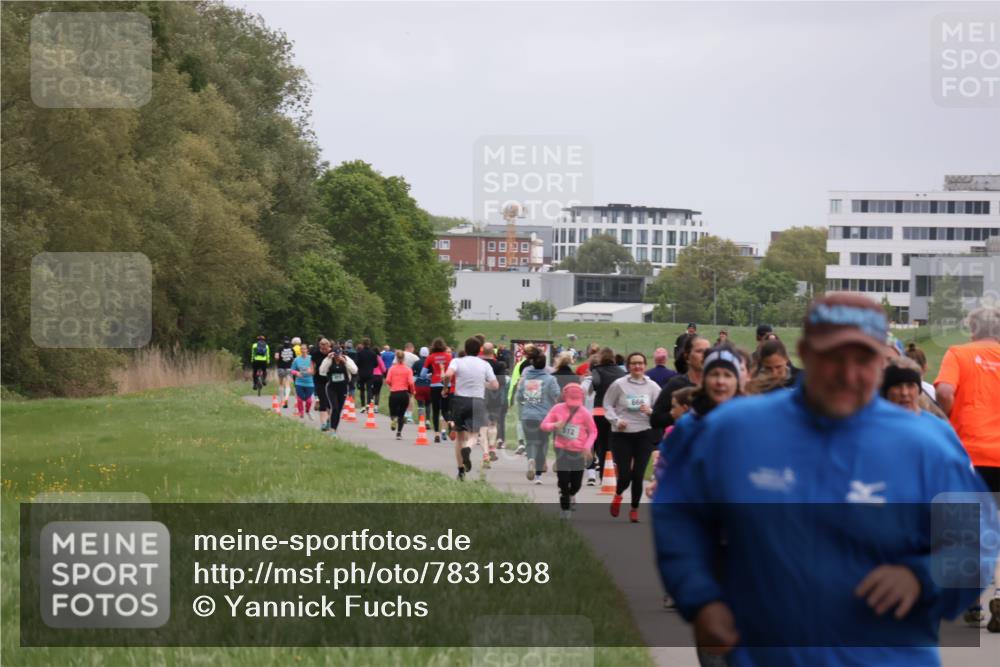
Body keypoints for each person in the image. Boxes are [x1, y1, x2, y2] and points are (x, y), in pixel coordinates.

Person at [653, 293, 1000, 665]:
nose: (848, 374)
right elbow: (679, 512)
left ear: (883, 361)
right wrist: (701, 598)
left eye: (863, 359)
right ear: (804, 354)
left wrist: (922, 578)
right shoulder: (735, 431)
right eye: (833, 357)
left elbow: (974, 544)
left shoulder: (925, 447)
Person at [934, 306, 1000, 628]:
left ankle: (973, 604)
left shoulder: (959, 353)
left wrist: (948, 420)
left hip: (970, 455)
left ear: (972, 329)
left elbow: (944, 391)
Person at [603, 351, 662, 523]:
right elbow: (607, 404)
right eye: (634, 363)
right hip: (622, 434)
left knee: (638, 475)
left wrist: (651, 411)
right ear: (628, 366)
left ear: (645, 365)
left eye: (640, 363)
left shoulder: (653, 387)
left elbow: (661, 409)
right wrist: (616, 420)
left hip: (644, 433)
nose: (637, 366)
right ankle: (618, 494)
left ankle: (634, 508)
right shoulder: (619, 384)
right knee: (625, 476)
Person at [540, 383, 598, 518]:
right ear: (564, 396)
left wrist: (587, 446)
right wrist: (555, 425)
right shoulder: (557, 408)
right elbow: (544, 425)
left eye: (576, 401)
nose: (573, 405)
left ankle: (571, 494)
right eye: (571, 400)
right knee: (563, 479)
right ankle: (565, 507)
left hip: (579, 450)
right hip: (561, 448)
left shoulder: (584, 412)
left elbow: (593, 431)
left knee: (576, 483)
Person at [445, 337, 498, 481]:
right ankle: (468, 448)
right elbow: (495, 385)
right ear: (479, 350)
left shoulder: (457, 361)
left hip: (460, 400)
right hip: (477, 401)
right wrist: (483, 384)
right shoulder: (485, 364)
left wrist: (445, 388)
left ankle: (461, 471)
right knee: (474, 434)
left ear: (465, 349)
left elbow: (448, 375)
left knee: (459, 437)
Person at [516, 352, 561, 484]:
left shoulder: (525, 379)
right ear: (545, 364)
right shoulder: (550, 379)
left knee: (530, 442)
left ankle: (531, 459)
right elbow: (557, 395)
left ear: (532, 363)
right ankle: (538, 476)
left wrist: (527, 401)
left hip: (528, 415)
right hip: (545, 416)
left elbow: (519, 397)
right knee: (543, 443)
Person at [651, 335, 711, 431]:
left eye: (708, 352)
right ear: (687, 357)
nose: (704, 356)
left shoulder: (717, 385)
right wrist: (673, 415)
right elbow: (655, 419)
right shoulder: (676, 384)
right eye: (699, 351)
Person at [586, 346, 626, 484]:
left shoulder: (597, 370)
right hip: (616, 412)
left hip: (600, 412)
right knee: (614, 443)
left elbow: (594, 385)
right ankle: (615, 471)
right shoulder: (621, 372)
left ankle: (604, 475)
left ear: (601, 357)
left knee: (601, 444)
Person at [478, 342, 507, 466]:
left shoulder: (478, 364)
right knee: (493, 424)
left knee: (482, 428)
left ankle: (485, 454)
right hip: (495, 398)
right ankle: (492, 448)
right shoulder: (499, 365)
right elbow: (502, 382)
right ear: (493, 352)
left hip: (480, 397)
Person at [319, 344, 357, 435]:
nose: (337, 357)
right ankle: (332, 431)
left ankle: (334, 428)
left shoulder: (346, 359)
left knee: (339, 410)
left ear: (341, 353)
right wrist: (327, 359)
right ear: (333, 354)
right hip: (331, 388)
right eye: (335, 355)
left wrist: (345, 362)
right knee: (334, 408)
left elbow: (355, 370)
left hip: (343, 388)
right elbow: (322, 371)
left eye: (339, 355)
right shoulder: (329, 360)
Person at [424, 337, 453, 443]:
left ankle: (436, 433)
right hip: (447, 384)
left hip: (434, 385)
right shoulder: (449, 357)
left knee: (435, 410)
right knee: (445, 409)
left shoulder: (430, 357)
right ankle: (450, 423)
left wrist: (429, 376)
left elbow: (422, 374)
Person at [385, 350, 415, 440]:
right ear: (404, 358)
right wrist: (412, 391)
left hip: (394, 393)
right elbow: (411, 382)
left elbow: (388, 380)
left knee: (393, 413)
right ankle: (399, 433)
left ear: (396, 358)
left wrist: (392, 385)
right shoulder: (408, 369)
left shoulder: (392, 369)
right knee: (401, 415)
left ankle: (394, 419)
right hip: (404, 394)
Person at [290, 343, 315, 419]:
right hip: (299, 382)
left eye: (304, 349)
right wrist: (296, 373)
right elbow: (291, 370)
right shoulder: (297, 359)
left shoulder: (311, 359)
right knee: (300, 399)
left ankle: (307, 411)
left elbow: (316, 369)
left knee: (309, 401)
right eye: (302, 349)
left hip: (309, 383)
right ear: (300, 350)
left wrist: (312, 370)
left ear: (307, 350)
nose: (303, 350)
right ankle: (301, 412)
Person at [311, 338, 332, 430]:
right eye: (322, 349)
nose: (324, 351)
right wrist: (312, 370)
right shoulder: (315, 354)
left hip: (331, 381)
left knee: (329, 402)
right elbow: (312, 363)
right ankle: (323, 424)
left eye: (325, 349)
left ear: (329, 346)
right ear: (320, 346)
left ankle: (329, 420)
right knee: (323, 402)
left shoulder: (332, 353)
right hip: (319, 380)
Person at [354, 338, 380, 410]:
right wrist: (370, 366)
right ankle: (368, 404)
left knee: (362, 390)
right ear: (369, 344)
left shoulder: (359, 353)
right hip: (370, 373)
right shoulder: (373, 353)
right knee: (369, 389)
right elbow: (376, 364)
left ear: (363, 344)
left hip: (361, 373)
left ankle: (363, 406)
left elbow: (356, 363)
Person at [274, 337, 296, 408]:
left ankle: (282, 400)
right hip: (289, 368)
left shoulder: (279, 348)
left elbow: (276, 357)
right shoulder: (292, 349)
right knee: (287, 384)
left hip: (280, 368)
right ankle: (286, 398)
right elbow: (294, 360)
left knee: (281, 384)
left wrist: (278, 360)